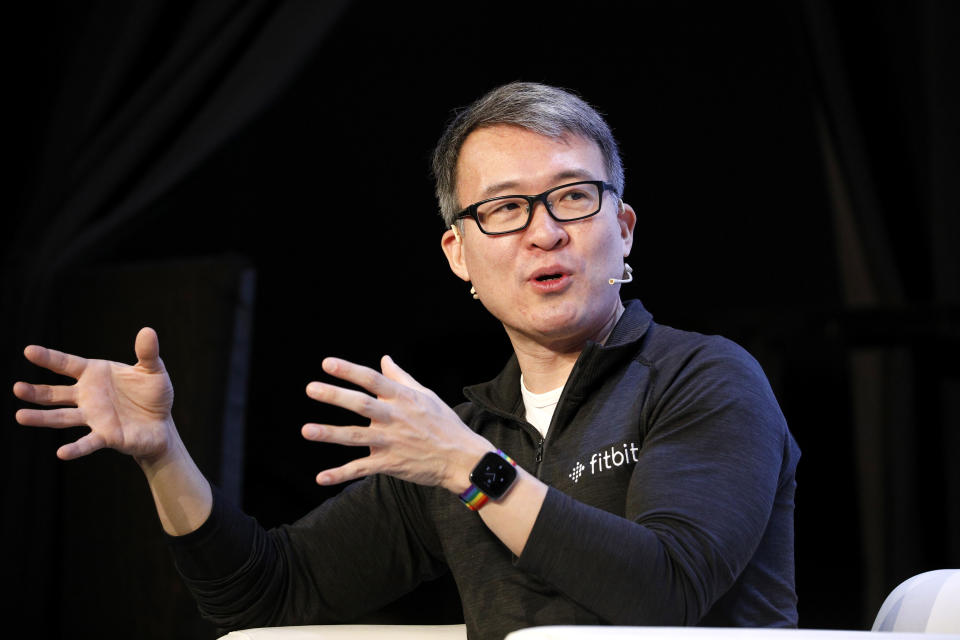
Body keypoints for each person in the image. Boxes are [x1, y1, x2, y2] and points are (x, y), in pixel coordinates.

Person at [14, 82, 800, 640]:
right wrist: (163, 455)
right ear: (459, 254)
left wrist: (474, 472)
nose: (544, 231)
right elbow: (264, 594)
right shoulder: (460, 436)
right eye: (503, 209)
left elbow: (664, 594)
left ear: (623, 228)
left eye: (572, 197)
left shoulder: (704, 378)